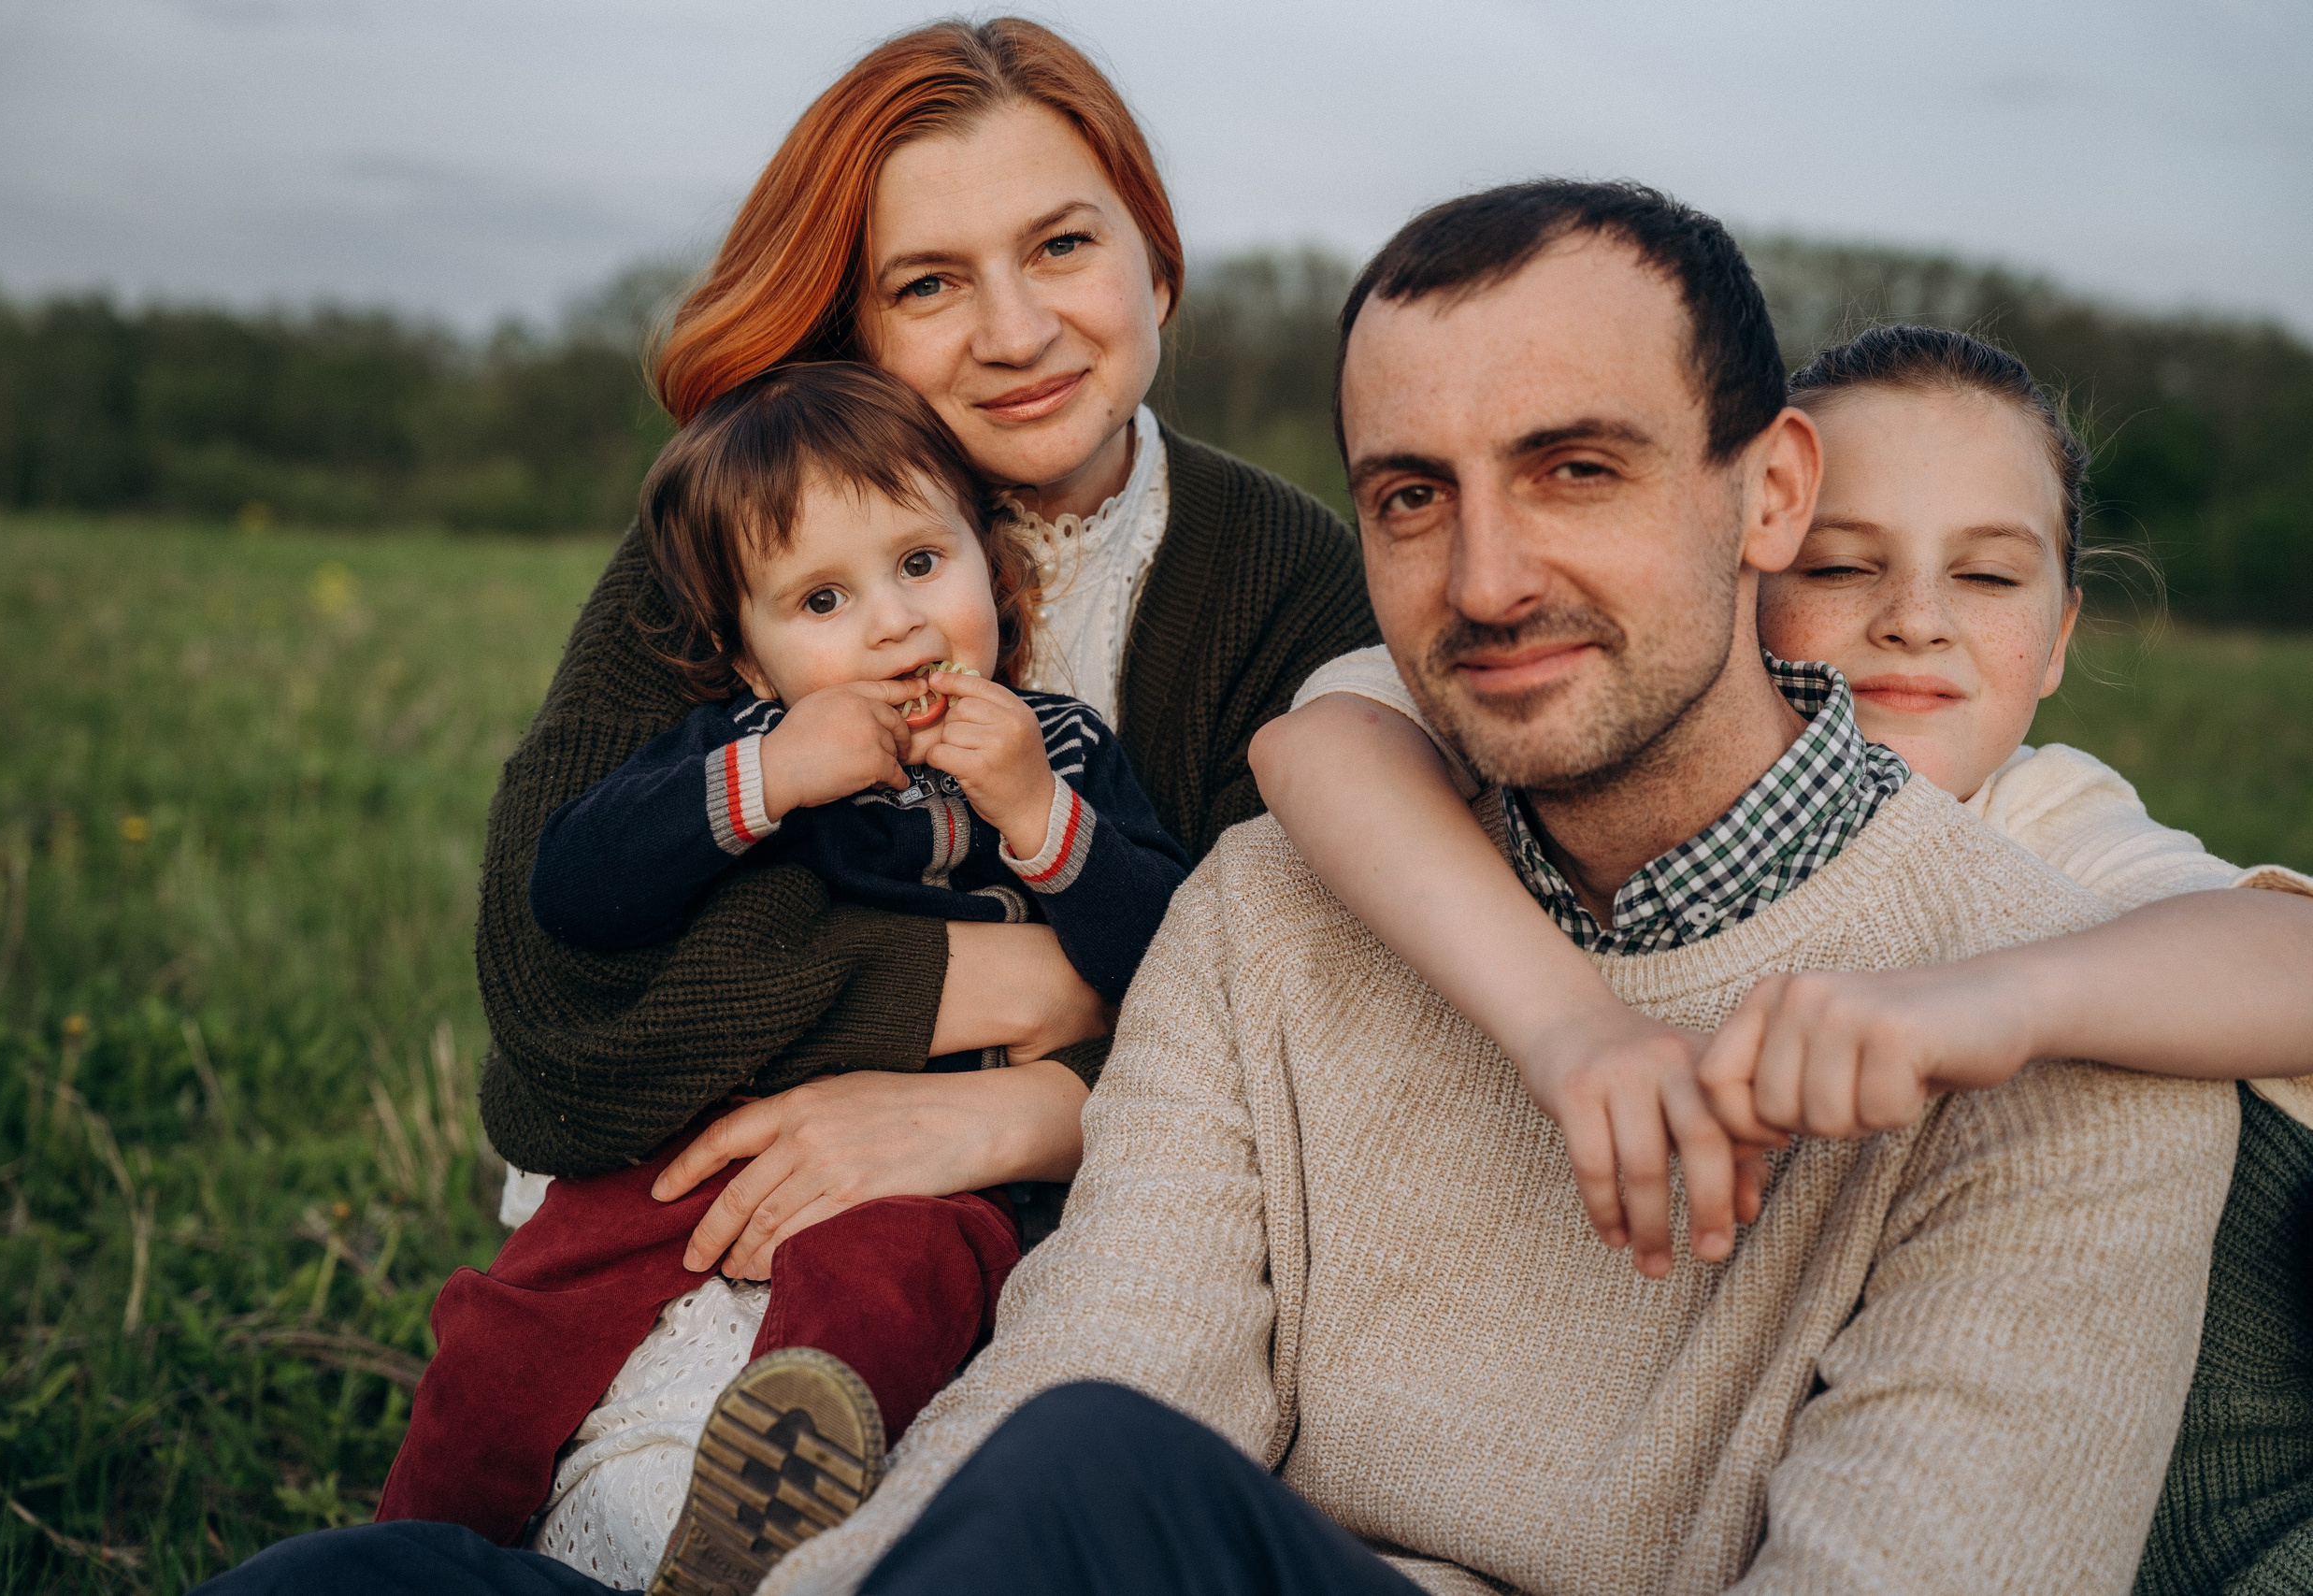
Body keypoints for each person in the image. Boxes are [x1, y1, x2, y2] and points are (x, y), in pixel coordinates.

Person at [729, 180, 2240, 1596]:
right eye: (1411, 497)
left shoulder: (2063, 1046)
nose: (1487, 582)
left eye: (1577, 471)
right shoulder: (1275, 908)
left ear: (1772, 494)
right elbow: (1096, 1365)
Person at [1254, 321, 2313, 1590]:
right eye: (1843, 564)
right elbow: (1322, 747)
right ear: (1739, 557)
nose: (1915, 622)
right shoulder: (1583, 713)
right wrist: (1568, 1021)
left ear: (2062, 635)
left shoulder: (2044, 816)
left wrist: (1999, 999)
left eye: (1987, 578)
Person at [373, 362, 1188, 1589]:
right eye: (822, 599)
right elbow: (576, 891)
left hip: (928, 1174)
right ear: (749, 660)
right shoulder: (743, 744)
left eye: (922, 563)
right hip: (697, 1142)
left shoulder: (1059, 747)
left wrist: (1037, 814)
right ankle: (415, 1545)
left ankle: (767, 1518)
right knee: (521, 1317)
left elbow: (1167, 961)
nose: (894, 624)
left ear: (991, 564)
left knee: (888, 1288)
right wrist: (770, 779)